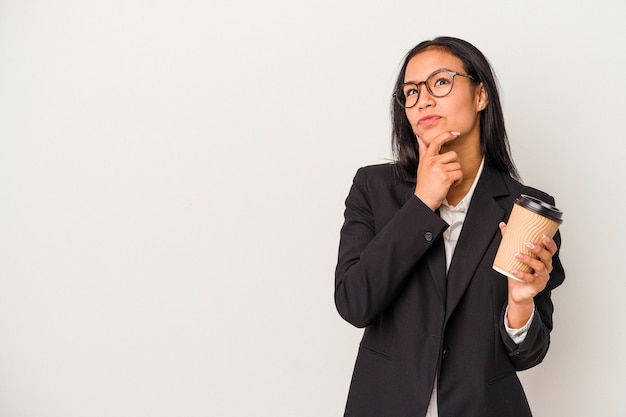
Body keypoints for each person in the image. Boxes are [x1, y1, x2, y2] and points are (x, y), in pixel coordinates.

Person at [334, 36, 565, 417]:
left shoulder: (526, 208)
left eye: (440, 82)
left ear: (480, 96)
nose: (423, 99)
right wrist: (422, 204)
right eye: (410, 91)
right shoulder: (373, 189)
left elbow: (529, 354)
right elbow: (354, 303)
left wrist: (521, 304)